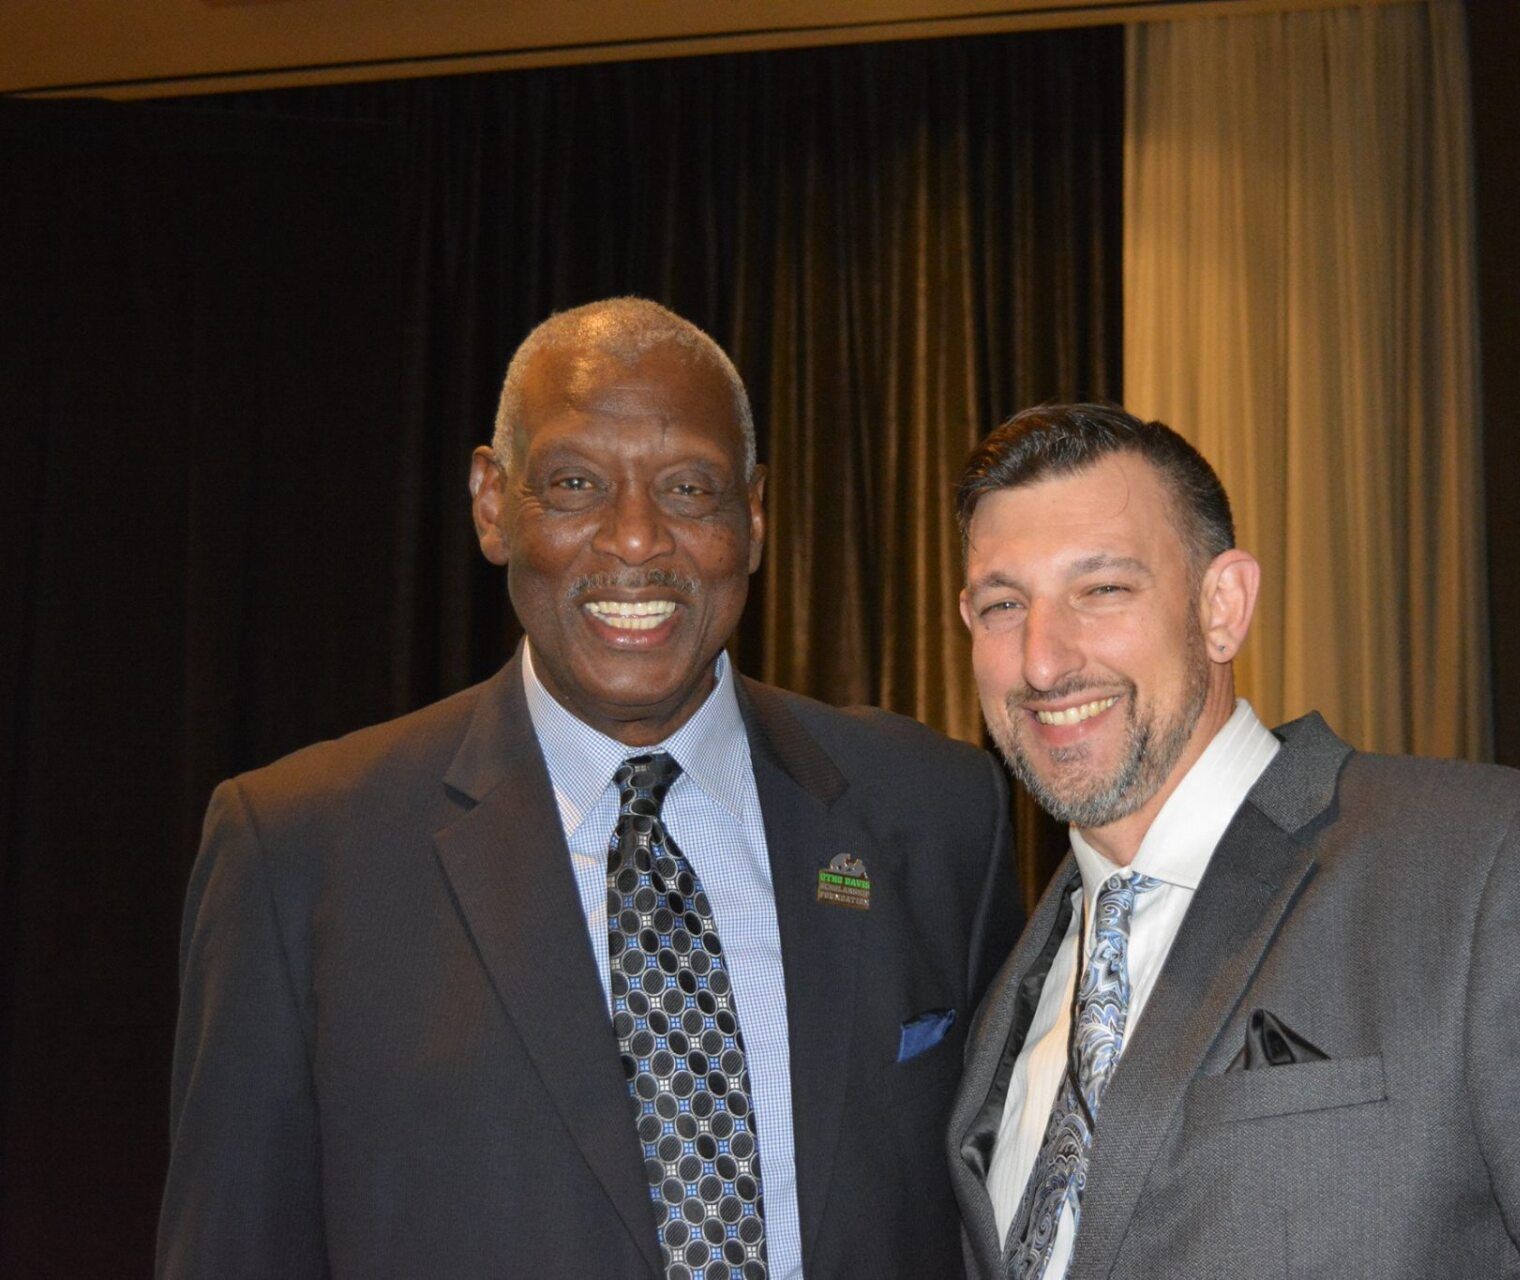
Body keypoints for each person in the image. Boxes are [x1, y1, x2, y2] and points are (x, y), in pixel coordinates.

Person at [158, 297, 1022, 1280]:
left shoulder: (938, 813)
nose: (637, 539)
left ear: (753, 516)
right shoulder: (299, 852)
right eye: (576, 483)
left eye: (689, 488)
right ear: (493, 503)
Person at [943, 403, 1520, 1279]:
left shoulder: (1501, 873)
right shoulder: (1013, 983)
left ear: (1223, 607)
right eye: (1004, 605)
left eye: (1102, 590)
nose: (1043, 660)